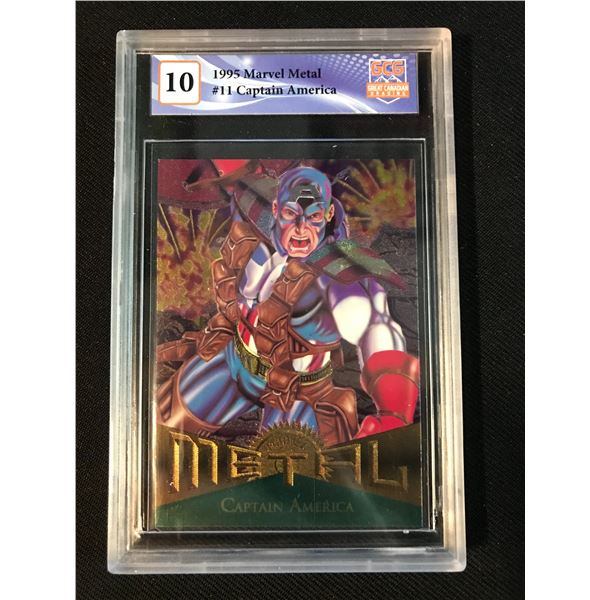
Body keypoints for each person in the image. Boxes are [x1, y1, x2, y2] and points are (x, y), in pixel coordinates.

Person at [156, 166, 419, 446]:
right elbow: (235, 179)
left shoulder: (337, 277)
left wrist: (394, 413)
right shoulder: (254, 221)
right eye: (291, 214)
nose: (301, 229)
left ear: (329, 214)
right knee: (159, 430)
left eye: (314, 217)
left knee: (289, 467)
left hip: (298, 390)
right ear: (275, 208)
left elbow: (376, 326)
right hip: (234, 360)